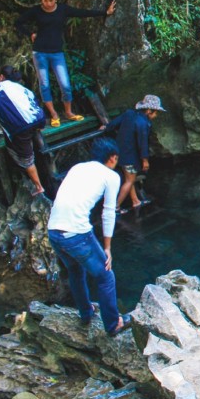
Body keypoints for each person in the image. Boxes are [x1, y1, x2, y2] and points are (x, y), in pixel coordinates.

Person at [46, 137, 131, 336]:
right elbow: (108, 212)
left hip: (54, 230)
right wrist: (108, 248)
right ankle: (113, 324)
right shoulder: (111, 176)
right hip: (76, 234)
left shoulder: (78, 168)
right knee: (106, 277)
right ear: (113, 158)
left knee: (75, 271)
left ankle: (86, 313)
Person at [14, 0, 116, 127]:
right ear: (41, 0)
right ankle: (54, 114)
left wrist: (105, 12)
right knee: (44, 85)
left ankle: (68, 112)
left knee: (65, 85)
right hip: (40, 52)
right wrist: (30, 33)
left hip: (57, 53)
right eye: (45, 0)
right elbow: (18, 23)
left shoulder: (63, 9)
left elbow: (82, 13)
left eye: (50, 0)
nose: (48, 3)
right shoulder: (36, 11)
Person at [100, 94, 165, 214]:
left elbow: (114, 124)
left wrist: (106, 127)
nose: (156, 116)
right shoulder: (143, 124)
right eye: (155, 113)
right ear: (149, 111)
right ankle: (115, 208)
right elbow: (143, 143)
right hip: (129, 157)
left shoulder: (129, 113)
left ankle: (135, 201)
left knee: (130, 178)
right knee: (129, 181)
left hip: (119, 152)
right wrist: (145, 160)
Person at [0, 65, 47, 196]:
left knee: (27, 159)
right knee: (19, 137)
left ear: (1, 77)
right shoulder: (23, 89)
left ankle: (39, 186)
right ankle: (37, 148)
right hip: (39, 119)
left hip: (22, 126)